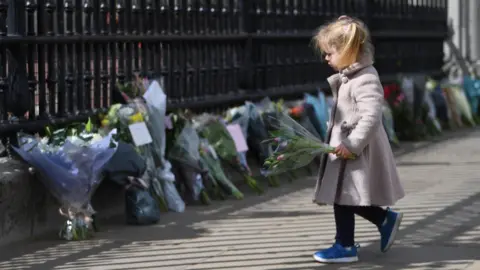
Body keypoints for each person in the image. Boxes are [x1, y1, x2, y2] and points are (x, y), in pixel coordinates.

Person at [311, 15, 406, 263]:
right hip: (345, 150)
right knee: (344, 197)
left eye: (330, 52)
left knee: (344, 196)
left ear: (349, 50)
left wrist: (352, 144)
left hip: (356, 151)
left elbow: (371, 116)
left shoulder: (365, 78)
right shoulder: (351, 76)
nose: (326, 58)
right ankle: (379, 222)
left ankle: (346, 245)